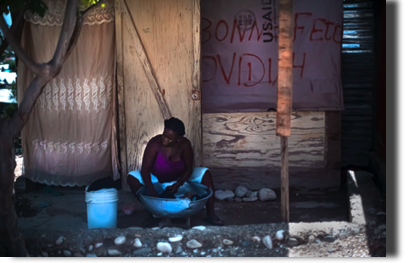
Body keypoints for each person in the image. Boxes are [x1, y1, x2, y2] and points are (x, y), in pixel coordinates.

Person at [127, 117, 224, 226]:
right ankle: (152, 211)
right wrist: (151, 189)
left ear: (178, 138)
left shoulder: (185, 144)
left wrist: (179, 183)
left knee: (205, 173)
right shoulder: (154, 143)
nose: (165, 140)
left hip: (180, 179)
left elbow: (189, 168)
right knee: (132, 177)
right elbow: (145, 169)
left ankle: (210, 214)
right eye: (164, 135)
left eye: (170, 138)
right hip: (157, 180)